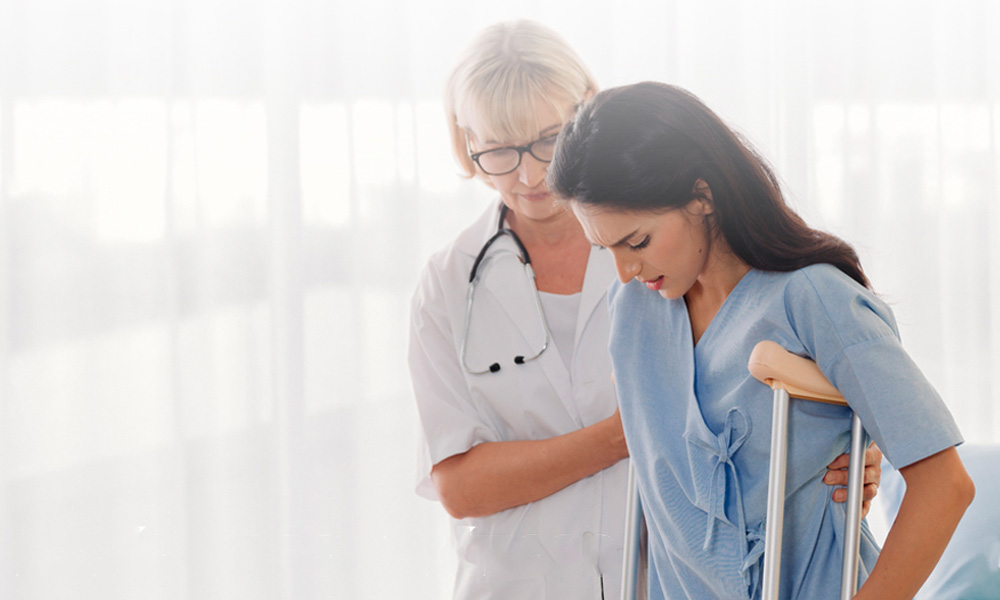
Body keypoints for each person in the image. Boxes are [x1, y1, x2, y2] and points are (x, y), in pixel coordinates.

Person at [408, 22, 882, 599]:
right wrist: (631, 429)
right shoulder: (448, 282)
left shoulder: (669, 250)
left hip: (662, 573)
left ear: (586, 113)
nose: (530, 176)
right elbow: (460, 486)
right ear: (467, 143)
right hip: (518, 582)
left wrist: (841, 449)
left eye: (547, 140)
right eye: (499, 152)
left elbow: (757, 380)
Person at [547, 81, 975, 600]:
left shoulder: (814, 298)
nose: (624, 270)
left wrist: (864, 443)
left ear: (702, 197)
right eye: (605, 248)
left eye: (636, 241)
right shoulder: (634, 310)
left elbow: (945, 485)